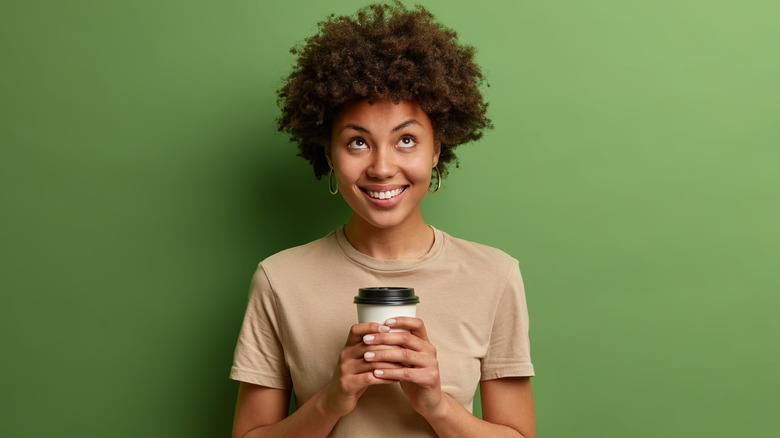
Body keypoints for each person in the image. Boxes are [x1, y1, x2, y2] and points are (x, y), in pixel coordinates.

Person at [230, 2, 535, 437]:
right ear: (329, 156)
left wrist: (435, 403)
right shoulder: (279, 280)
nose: (381, 167)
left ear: (436, 152)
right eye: (357, 143)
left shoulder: (494, 276)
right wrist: (332, 400)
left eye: (406, 140)